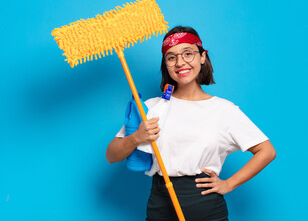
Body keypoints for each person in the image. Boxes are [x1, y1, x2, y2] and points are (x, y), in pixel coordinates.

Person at [106, 26, 276, 221]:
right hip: (160, 204)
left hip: (206, 206)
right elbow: (111, 155)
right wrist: (136, 138)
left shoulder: (223, 110)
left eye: (188, 54)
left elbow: (267, 151)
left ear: (203, 57)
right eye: (171, 57)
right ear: (166, 64)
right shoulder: (151, 108)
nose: (180, 62)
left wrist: (228, 184)